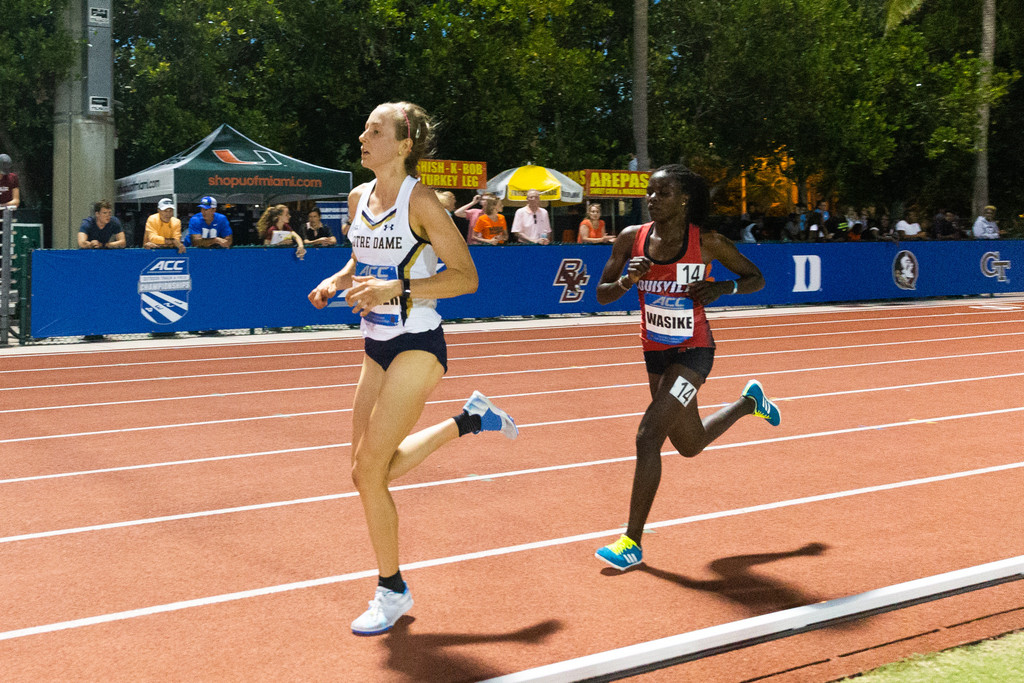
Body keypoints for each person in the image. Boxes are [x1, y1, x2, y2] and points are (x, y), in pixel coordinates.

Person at [307, 101, 518, 636]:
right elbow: (360, 258)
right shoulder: (358, 198)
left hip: (418, 341)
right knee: (364, 473)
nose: (362, 135)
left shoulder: (420, 201)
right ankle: (468, 420)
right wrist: (337, 280)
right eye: (364, 128)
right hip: (374, 341)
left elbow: (466, 277)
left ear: (402, 145)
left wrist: (395, 287)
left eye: (373, 130)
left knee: (371, 469)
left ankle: (392, 589)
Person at [591, 164, 780, 571]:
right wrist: (627, 281)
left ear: (684, 199)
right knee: (689, 444)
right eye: (650, 192)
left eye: (662, 193)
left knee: (648, 436)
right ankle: (750, 403)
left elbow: (756, 278)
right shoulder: (630, 239)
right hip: (655, 352)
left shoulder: (708, 242)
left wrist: (722, 287)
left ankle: (632, 542)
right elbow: (602, 295)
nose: (651, 199)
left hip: (694, 352)